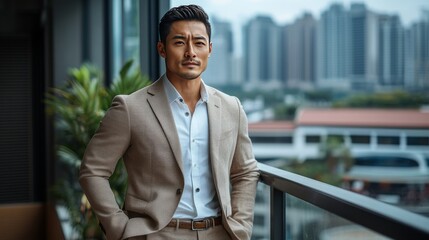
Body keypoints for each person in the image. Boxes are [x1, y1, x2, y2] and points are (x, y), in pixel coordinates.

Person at [79, 4, 260, 240]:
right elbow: (92, 171)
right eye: (179, 42)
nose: (190, 52)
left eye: (198, 42)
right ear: (162, 49)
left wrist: (241, 226)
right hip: (156, 233)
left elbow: (245, 171)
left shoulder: (231, 107)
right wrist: (119, 228)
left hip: (219, 233)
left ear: (210, 49)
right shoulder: (130, 108)